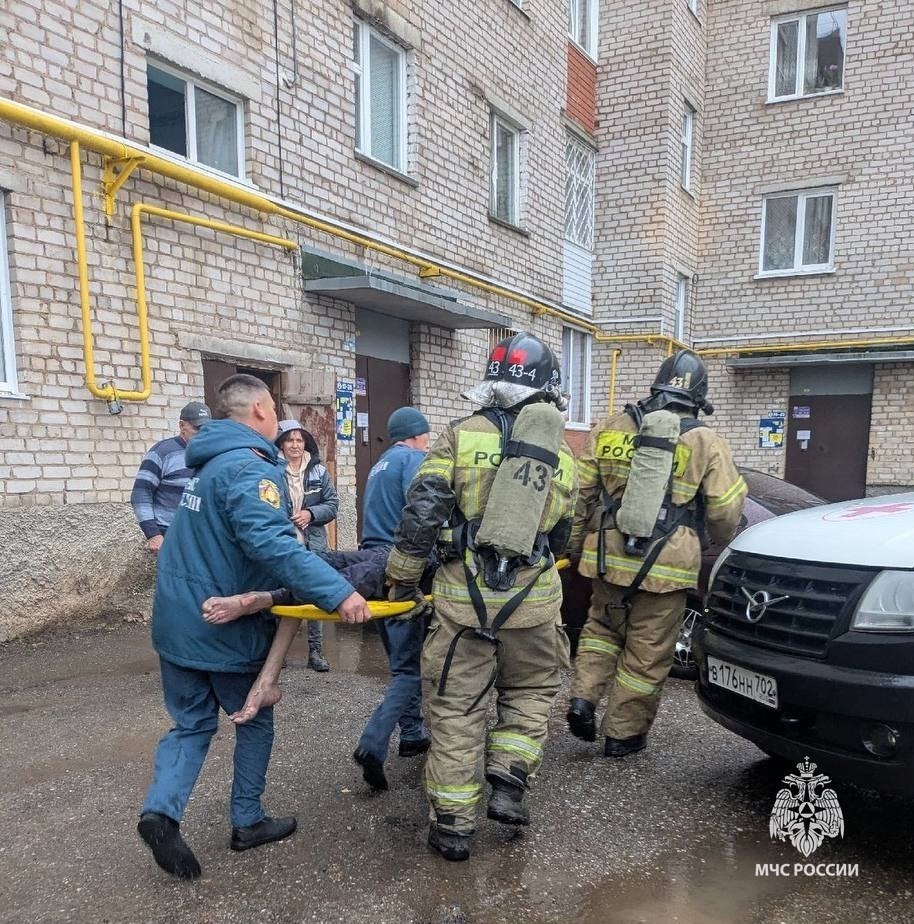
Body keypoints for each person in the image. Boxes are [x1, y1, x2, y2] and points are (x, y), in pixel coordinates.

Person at [136, 374, 370, 881]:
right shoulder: (249, 470)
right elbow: (275, 547)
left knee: (192, 724)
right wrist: (341, 593)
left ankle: (160, 812)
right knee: (254, 718)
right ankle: (247, 821)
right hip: (221, 625)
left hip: (177, 621)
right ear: (263, 409)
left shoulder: (206, 467)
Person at [385, 332, 577, 861]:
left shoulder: (458, 436)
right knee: (533, 689)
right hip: (533, 602)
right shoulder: (561, 453)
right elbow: (563, 537)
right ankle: (509, 780)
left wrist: (402, 576)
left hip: (460, 603)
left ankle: (453, 828)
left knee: (455, 709)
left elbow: (422, 512)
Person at [565, 349, 747, 759]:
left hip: (608, 557)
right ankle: (622, 736)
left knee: (601, 631)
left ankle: (582, 700)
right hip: (666, 566)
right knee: (647, 654)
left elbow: (580, 496)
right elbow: (725, 510)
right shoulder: (706, 441)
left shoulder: (610, 427)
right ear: (699, 396)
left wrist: (577, 547)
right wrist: (717, 538)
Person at [352, 406, 433, 792]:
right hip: (400, 566)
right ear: (417, 434)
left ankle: (414, 734)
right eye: (427, 435)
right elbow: (423, 514)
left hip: (374, 564)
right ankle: (373, 742)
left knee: (403, 658)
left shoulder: (380, 464)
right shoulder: (414, 459)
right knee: (409, 669)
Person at [275, 419, 339, 672]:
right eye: (289, 440)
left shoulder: (318, 471)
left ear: (306, 443)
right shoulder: (271, 469)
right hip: (283, 542)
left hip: (313, 543)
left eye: (299, 440)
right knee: (283, 594)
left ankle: (315, 652)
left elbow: (332, 504)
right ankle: (278, 654)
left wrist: (311, 513)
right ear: (280, 443)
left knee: (315, 594)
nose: (295, 445)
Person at [130, 401, 211, 553]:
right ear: (182, 426)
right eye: (197, 428)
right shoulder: (162, 452)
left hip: (202, 536)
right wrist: (153, 534)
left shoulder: (212, 454)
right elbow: (141, 493)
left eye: (206, 429)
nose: (202, 434)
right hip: (170, 535)